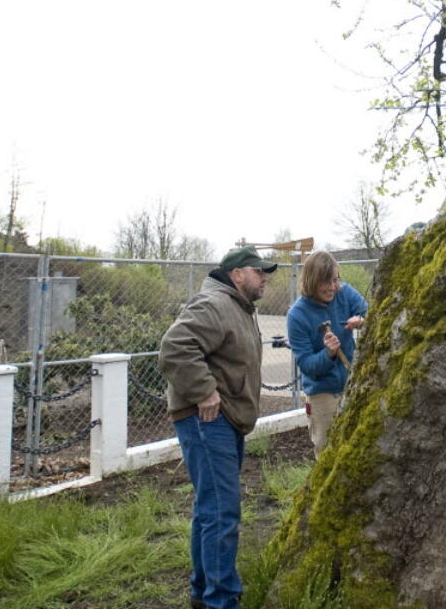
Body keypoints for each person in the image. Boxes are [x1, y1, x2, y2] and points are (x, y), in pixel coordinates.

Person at [157, 245, 277, 609]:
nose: (265, 279)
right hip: (208, 421)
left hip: (224, 421)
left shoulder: (236, 306)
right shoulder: (214, 304)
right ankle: (221, 601)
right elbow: (175, 347)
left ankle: (202, 591)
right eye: (259, 273)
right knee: (222, 510)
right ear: (237, 274)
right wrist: (205, 392)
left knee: (211, 508)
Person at [286, 249, 367, 457]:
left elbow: (370, 311)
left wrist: (362, 321)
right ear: (312, 280)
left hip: (353, 386)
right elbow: (307, 366)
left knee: (361, 447)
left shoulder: (344, 292)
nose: (333, 287)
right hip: (322, 394)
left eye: (335, 280)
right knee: (328, 453)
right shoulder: (297, 315)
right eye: (326, 282)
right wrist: (328, 354)